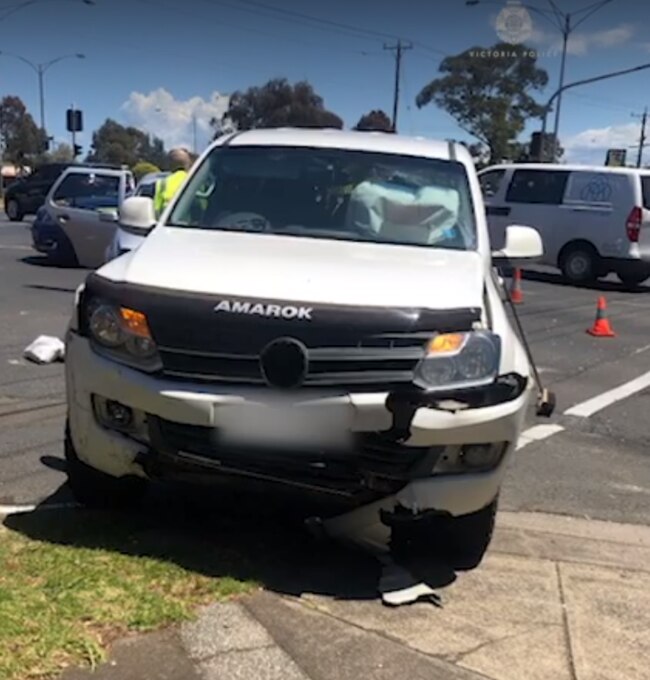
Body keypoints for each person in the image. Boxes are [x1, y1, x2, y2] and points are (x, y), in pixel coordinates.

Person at [153, 147, 192, 217]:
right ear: (188, 164)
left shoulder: (162, 183)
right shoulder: (195, 180)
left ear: (169, 165)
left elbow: (156, 211)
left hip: (168, 225)